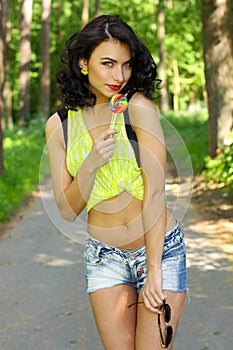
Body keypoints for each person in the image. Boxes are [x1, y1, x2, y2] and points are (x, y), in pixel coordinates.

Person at [45, 14, 187, 350]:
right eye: (107, 63)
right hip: (104, 258)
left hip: (159, 251)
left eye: (125, 65)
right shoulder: (60, 125)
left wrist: (154, 270)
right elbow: (67, 210)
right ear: (83, 63)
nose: (118, 76)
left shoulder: (137, 107)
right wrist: (91, 163)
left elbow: (155, 192)